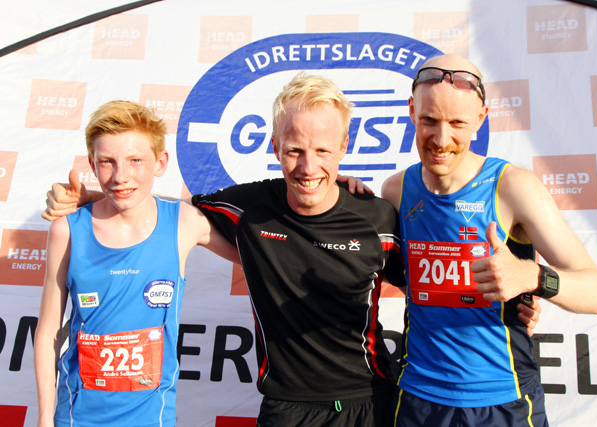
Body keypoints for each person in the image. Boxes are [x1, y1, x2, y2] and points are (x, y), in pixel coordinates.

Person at [41, 73, 541, 426]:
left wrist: (516, 300)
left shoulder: (377, 216)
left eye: (323, 151)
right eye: (295, 150)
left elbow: (429, 286)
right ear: (275, 146)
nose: (308, 166)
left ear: (344, 147)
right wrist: (91, 199)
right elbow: (161, 210)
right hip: (285, 407)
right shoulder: (248, 208)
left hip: (371, 402)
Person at [381, 54, 597, 426]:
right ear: (412, 112)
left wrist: (531, 278)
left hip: (503, 401)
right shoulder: (395, 190)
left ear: (480, 118)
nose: (441, 139)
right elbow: (409, 280)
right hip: (418, 400)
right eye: (429, 120)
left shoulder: (514, 187)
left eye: (457, 123)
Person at [33, 101, 238, 427]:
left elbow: (257, 257)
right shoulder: (66, 231)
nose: (120, 176)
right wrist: (44, 418)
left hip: (152, 418)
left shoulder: (183, 222)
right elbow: (47, 332)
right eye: (107, 162)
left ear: (160, 162)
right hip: (76, 417)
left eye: (135, 161)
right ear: (92, 164)